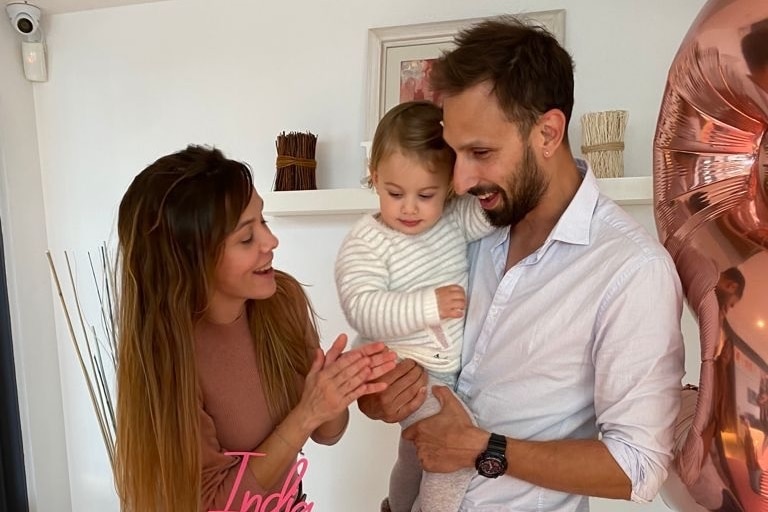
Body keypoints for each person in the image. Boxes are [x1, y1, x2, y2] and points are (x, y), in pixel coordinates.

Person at [359, 17, 686, 511]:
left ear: (548, 133)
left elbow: (637, 467)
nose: (463, 179)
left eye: (482, 152)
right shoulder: (459, 229)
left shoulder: (631, 270)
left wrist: (483, 449)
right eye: (454, 153)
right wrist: (381, 395)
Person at [113, 145, 397, 512]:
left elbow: (329, 432)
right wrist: (306, 414)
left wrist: (333, 393)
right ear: (191, 259)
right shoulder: (167, 358)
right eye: (246, 238)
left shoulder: (281, 301)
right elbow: (216, 505)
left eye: (263, 221)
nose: (270, 242)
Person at [335, 101, 494, 512]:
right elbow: (361, 307)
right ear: (374, 179)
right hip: (398, 364)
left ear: (449, 187)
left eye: (426, 195)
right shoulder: (368, 241)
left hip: (440, 369)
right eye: (394, 193)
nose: (408, 208)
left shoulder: (451, 220)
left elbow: (492, 212)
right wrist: (428, 305)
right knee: (452, 456)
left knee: (415, 451)